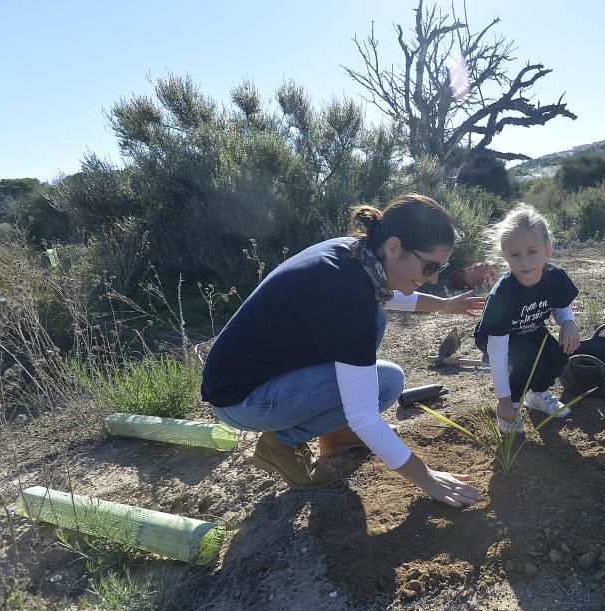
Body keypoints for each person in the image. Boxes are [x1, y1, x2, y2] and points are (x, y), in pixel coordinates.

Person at [200, 193, 483, 507]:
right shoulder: (348, 299)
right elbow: (364, 417)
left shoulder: (355, 254)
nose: (433, 279)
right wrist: (428, 479)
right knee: (386, 382)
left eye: (440, 269)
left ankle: (333, 434)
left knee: (376, 324)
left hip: (256, 375)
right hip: (242, 400)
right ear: (394, 247)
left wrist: (444, 305)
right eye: (429, 267)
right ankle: (279, 443)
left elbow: (387, 294)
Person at [474, 203, 580, 434]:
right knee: (528, 358)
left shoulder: (556, 277)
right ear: (505, 255)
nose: (525, 262)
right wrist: (503, 400)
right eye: (515, 254)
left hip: (531, 330)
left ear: (547, 248)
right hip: (497, 338)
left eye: (532, 251)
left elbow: (561, 306)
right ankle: (510, 407)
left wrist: (568, 323)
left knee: (559, 352)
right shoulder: (502, 294)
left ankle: (537, 395)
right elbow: (498, 351)